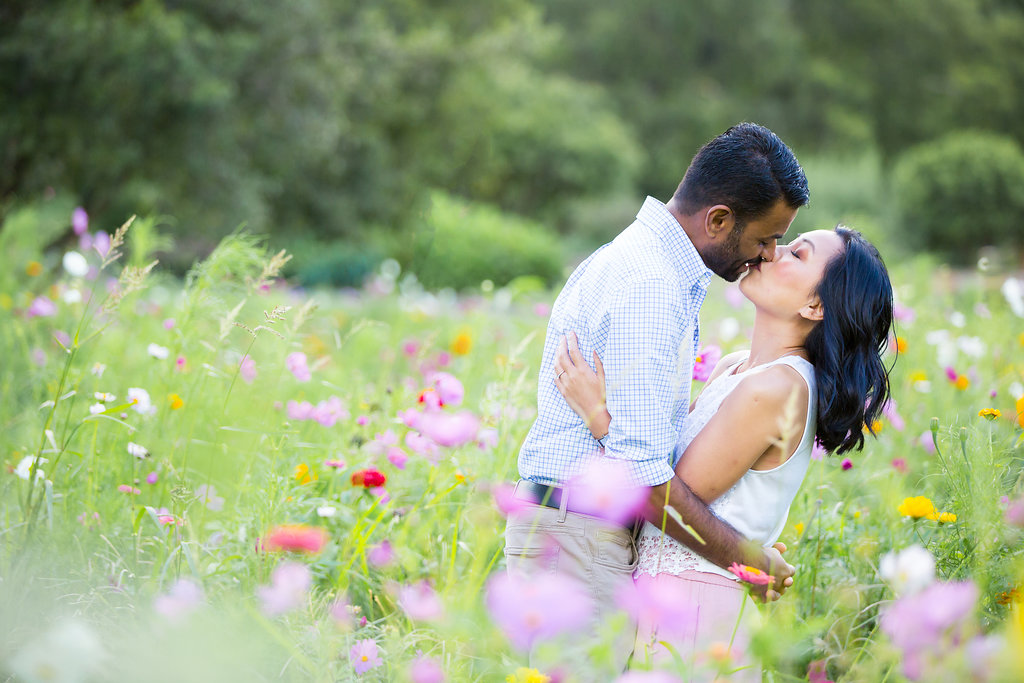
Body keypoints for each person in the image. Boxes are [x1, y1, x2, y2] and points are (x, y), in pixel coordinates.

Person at [504, 122, 809, 670]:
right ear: (718, 220)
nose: (766, 255)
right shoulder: (650, 286)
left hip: (579, 535)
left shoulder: (651, 265)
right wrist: (749, 562)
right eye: (764, 239)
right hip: (578, 539)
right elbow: (642, 475)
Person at [554, 225, 894, 680]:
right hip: (665, 596)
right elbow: (662, 462)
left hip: (696, 612)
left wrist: (598, 413)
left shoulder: (778, 388)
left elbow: (667, 499)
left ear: (815, 305)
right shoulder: (739, 367)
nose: (772, 252)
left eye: (797, 253)